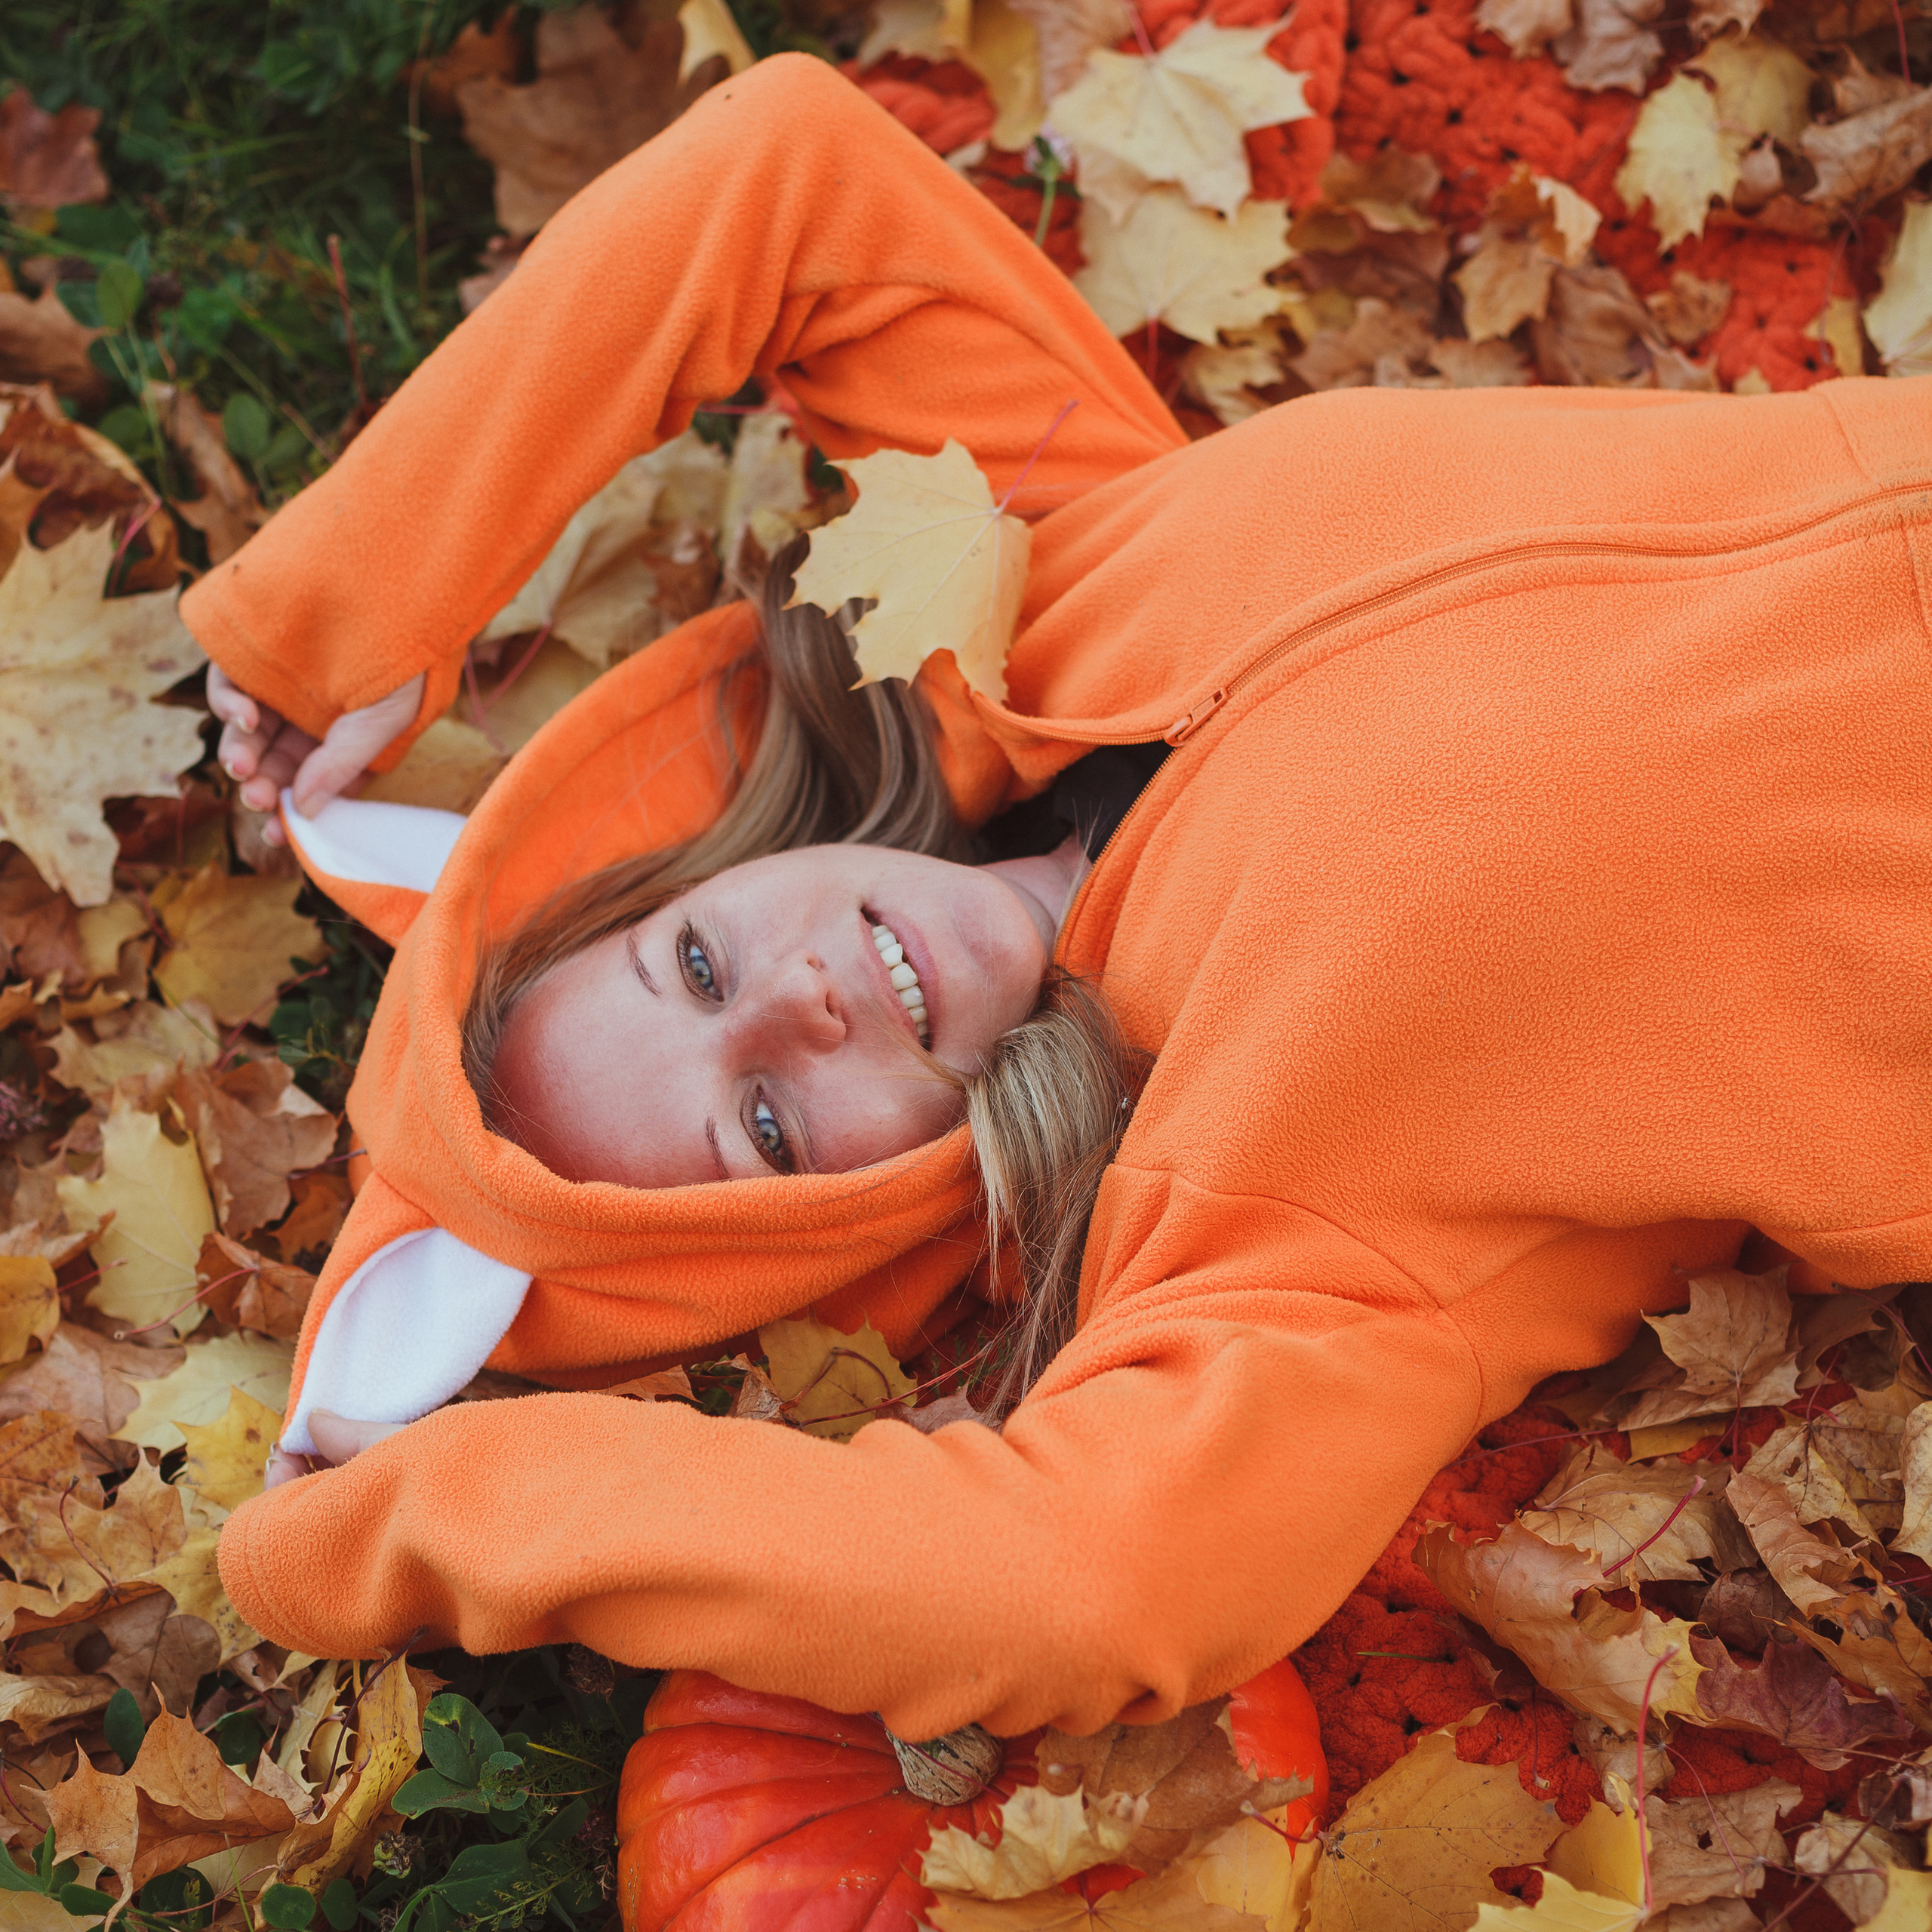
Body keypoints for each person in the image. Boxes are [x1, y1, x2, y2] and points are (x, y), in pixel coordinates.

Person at [193, 53, 1932, 1744]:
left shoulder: (1024, 576)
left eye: (697, 959)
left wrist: (336, 611)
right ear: (858, 1216)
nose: (796, 1000)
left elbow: (784, 172)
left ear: (699, 866)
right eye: (773, 1124)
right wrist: (452, 1515)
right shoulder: (1254, 1210)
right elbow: (1083, 1589)